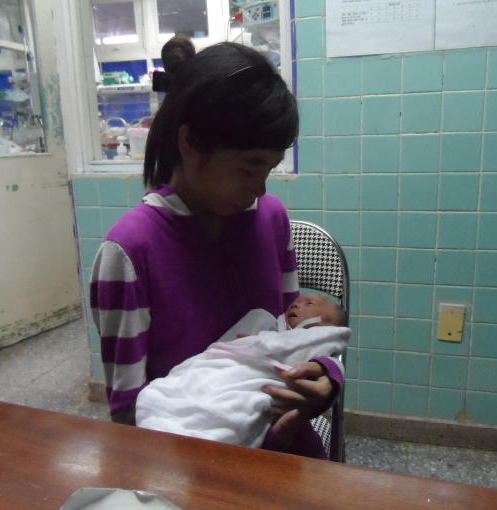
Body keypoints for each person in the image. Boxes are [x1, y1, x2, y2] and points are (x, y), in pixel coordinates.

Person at [90, 42, 344, 459]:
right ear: (190, 141)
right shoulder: (130, 251)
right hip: (192, 465)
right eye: (248, 168)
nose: (260, 188)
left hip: (287, 450)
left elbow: (293, 336)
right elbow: (129, 413)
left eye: (269, 169)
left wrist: (326, 378)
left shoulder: (272, 219)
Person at [135, 294, 350, 450]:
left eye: (309, 304)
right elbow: (217, 356)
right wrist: (251, 345)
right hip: (216, 373)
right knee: (165, 393)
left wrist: (332, 372)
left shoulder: (309, 340)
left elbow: (328, 353)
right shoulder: (265, 324)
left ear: (324, 326)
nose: (296, 304)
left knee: (232, 413)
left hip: (257, 394)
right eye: (297, 302)